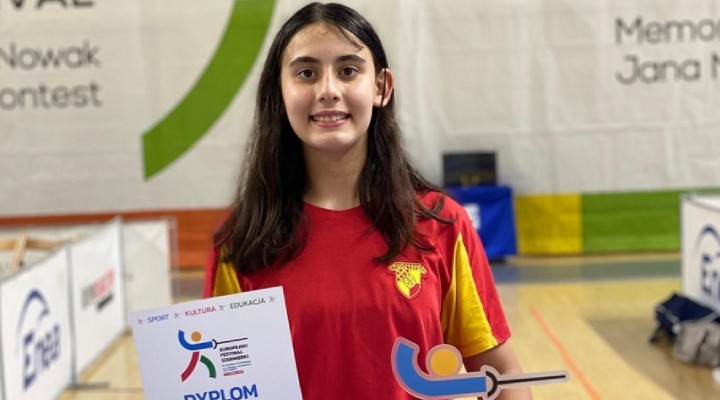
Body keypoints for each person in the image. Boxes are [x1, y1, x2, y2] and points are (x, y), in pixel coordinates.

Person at [204, 2, 532, 399]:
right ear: (279, 90)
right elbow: (224, 387)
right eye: (306, 73)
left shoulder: (440, 223)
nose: (328, 90)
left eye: (348, 70)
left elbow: (501, 375)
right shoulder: (241, 244)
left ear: (381, 87)